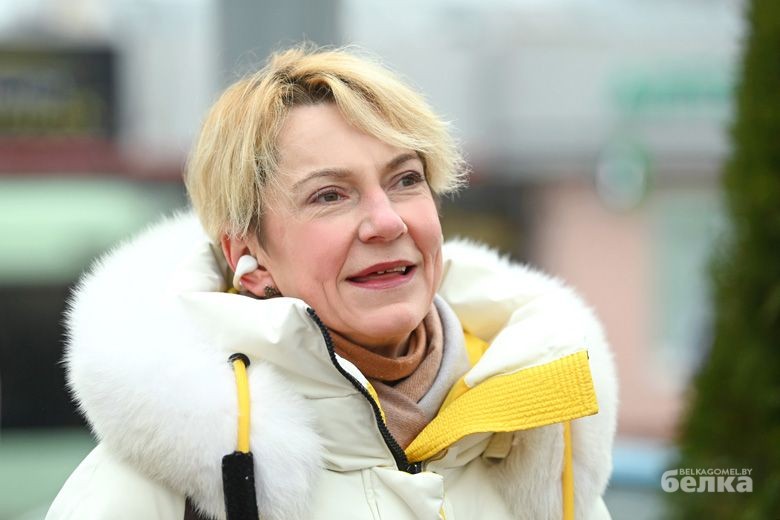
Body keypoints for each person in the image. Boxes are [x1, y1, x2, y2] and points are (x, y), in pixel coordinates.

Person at [47, 45, 618, 520]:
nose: (387, 222)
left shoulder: (537, 439)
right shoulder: (168, 484)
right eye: (330, 195)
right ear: (249, 257)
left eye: (406, 180)